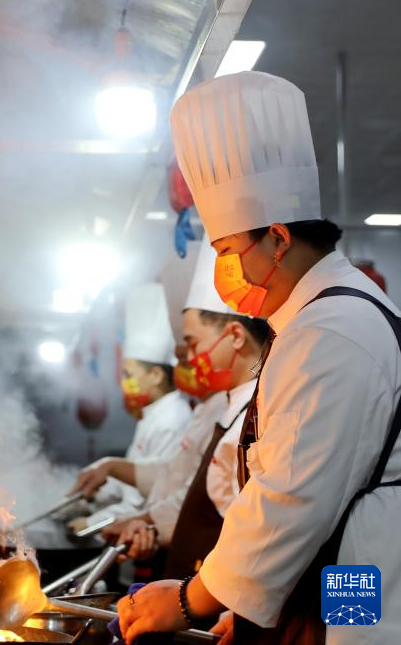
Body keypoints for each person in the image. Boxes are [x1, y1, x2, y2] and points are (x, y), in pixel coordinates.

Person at [116, 71, 401, 645]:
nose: (226, 272)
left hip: (354, 579)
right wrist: (247, 604)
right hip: (329, 571)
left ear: (277, 238)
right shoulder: (314, 320)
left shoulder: (331, 330)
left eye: (227, 249)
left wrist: (190, 600)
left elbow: (291, 498)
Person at [71, 243, 269, 574]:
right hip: (194, 573)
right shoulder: (226, 407)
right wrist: (140, 515)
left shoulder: (258, 410)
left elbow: (236, 521)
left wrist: (144, 521)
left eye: (191, 345)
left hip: (218, 580)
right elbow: (181, 482)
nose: (188, 361)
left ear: (236, 336)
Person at [70, 283, 192, 532]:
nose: (123, 383)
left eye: (129, 374)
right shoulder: (151, 415)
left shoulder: (172, 419)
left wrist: (90, 523)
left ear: (156, 375)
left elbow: (144, 498)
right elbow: (125, 484)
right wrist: (88, 500)